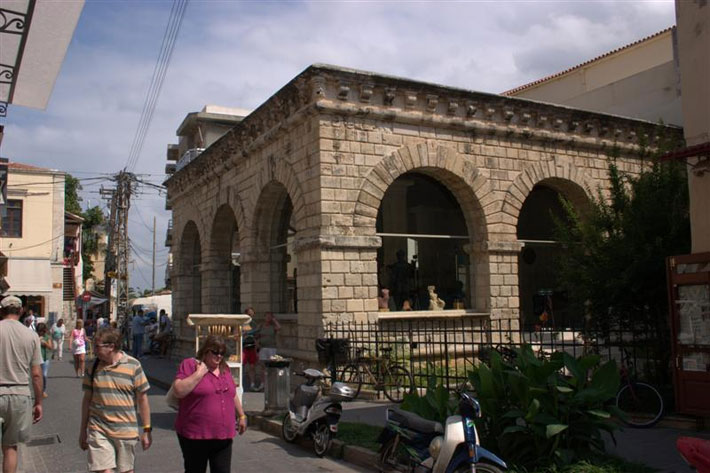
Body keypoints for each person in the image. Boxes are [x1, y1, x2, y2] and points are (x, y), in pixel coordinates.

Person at [79, 327, 152, 473]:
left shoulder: (133, 365)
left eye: (97, 346)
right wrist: (83, 431)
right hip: (98, 428)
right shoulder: (92, 367)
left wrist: (146, 430)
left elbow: (142, 399)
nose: (93, 350)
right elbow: (87, 400)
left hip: (125, 430)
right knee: (104, 470)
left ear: (111, 346)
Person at [172, 335, 247, 473]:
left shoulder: (225, 369)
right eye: (215, 352)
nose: (219, 356)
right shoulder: (190, 365)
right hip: (195, 435)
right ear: (205, 350)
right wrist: (199, 373)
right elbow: (178, 391)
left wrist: (241, 415)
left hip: (223, 435)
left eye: (222, 353)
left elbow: (232, 393)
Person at [0, 296, 43, 473]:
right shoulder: (31, 336)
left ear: (1, 311)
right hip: (20, 395)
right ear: (21, 311)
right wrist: (38, 402)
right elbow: (36, 375)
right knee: (11, 447)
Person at [255, 312, 280, 391]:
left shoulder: (273, 327)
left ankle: (271, 383)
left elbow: (279, 328)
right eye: (267, 317)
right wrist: (257, 344)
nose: (268, 318)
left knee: (272, 366)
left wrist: (274, 320)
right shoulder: (261, 326)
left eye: (270, 317)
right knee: (263, 366)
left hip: (271, 348)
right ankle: (263, 383)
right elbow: (256, 335)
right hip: (263, 348)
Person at [241, 308, 258, 391]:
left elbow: (257, 334)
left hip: (251, 347)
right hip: (243, 347)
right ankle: (241, 384)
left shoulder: (254, 324)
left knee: (252, 367)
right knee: (242, 366)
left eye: (252, 315)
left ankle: (252, 384)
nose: (250, 316)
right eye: (249, 314)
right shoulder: (242, 323)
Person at [36, 323, 53, 398]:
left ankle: (43, 390)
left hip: (45, 358)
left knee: (44, 375)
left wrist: (45, 343)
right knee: (36, 376)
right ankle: (37, 391)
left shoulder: (47, 337)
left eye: (41, 331)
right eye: (39, 331)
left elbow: (50, 347)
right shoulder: (35, 336)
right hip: (36, 359)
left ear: (44, 331)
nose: (40, 333)